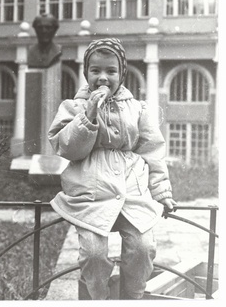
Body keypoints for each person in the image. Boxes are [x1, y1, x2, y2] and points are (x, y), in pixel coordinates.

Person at [48, 38, 177, 300]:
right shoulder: (72, 107)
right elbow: (66, 148)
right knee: (93, 254)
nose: (103, 78)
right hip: (90, 195)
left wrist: (161, 192)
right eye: (95, 71)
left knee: (142, 248)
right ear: (86, 74)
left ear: (122, 74)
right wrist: (89, 115)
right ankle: (96, 299)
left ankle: (133, 298)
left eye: (111, 71)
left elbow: (153, 152)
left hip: (132, 192)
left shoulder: (137, 109)